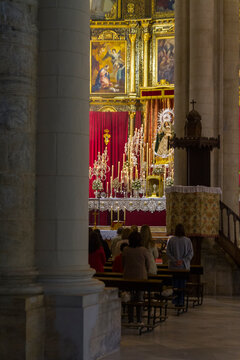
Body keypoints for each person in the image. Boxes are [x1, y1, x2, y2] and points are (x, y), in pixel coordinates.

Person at [122, 232, 150, 323]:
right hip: (141, 277)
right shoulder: (143, 250)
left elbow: (123, 263)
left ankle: (130, 319)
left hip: (128, 276)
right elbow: (148, 264)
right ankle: (139, 319)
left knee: (130, 297)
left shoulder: (126, 250)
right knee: (139, 297)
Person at [166, 223, 194, 307]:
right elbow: (191, 253)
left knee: (175, 284)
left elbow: (168, 252)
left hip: (174, 267)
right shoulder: (187, 240)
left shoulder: (171, 240)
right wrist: (182, 261)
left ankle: (175, 300)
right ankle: (181, 301)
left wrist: (175, 261)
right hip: (183, 267)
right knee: (182, 284)